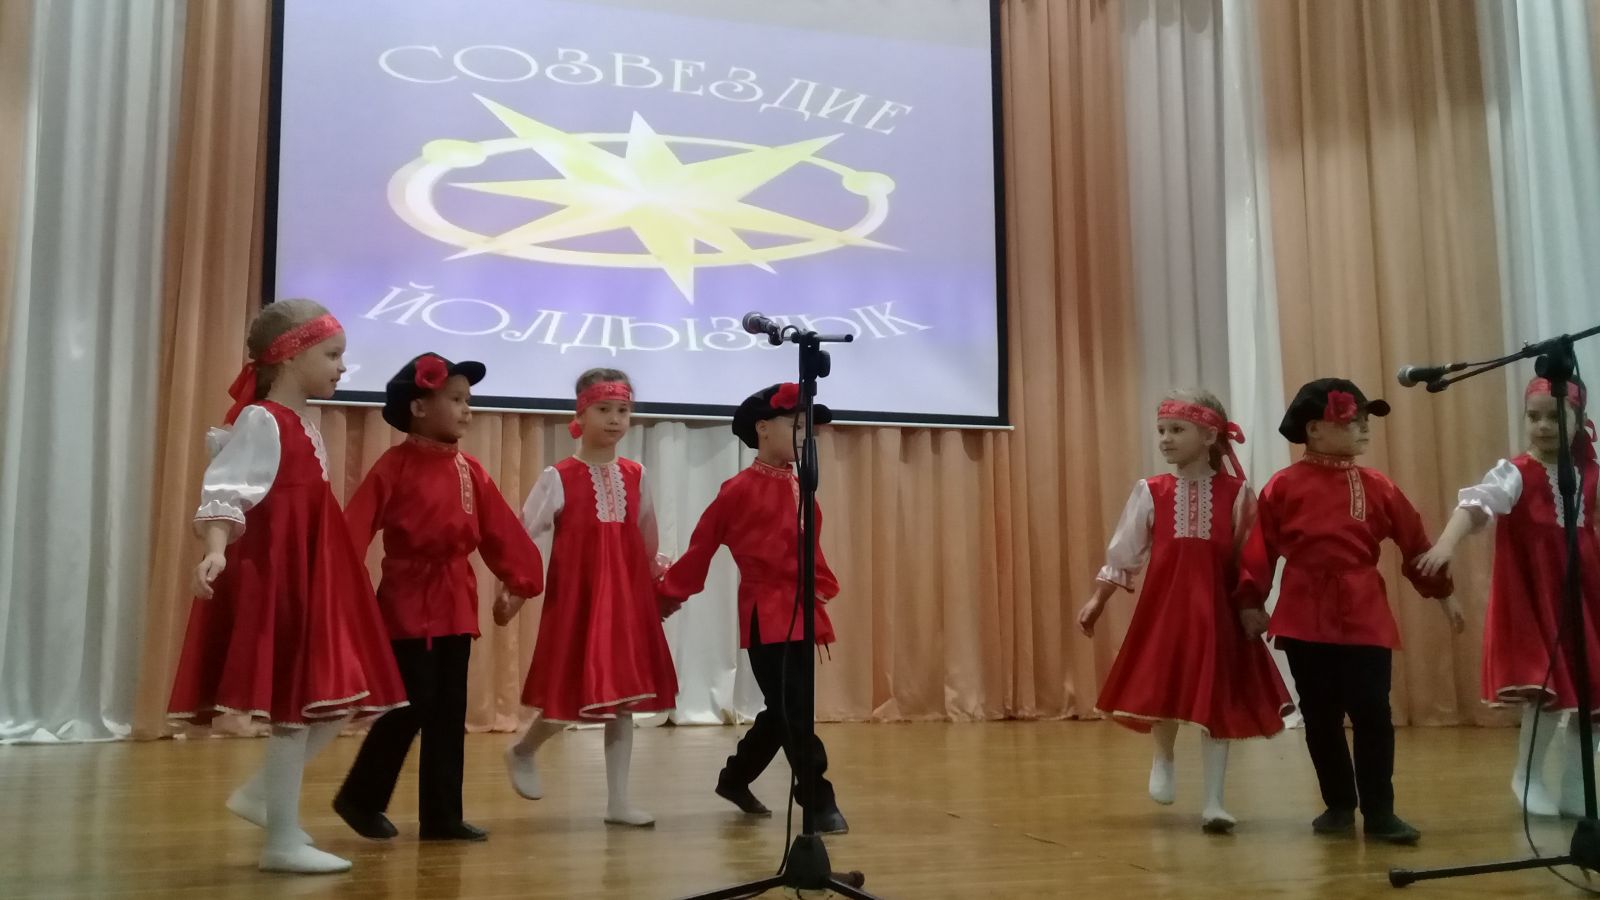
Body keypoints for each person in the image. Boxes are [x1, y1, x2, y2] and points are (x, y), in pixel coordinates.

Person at [167, 299, 406, 874]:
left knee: (332, 700)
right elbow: (226, 489)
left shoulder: (302, 422)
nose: (342, 367)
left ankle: (262, 800)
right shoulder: (263, 420)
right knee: (297, 705)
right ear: (291, 355)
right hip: (283, 575)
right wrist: (216, 550)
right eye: (332, 355)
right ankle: (279, 840)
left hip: (316, 572)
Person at [1235, 378, 1463, 845]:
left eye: (1365, 420)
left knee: (1372, 711)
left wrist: (1442, 592)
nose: (1363, 427)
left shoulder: (1378, 486)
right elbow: (1259, 550)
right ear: (1314, 429)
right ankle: (1338, 803)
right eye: (1351, 420)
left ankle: (1380, 811)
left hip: (1364, 611)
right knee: (1320, 714)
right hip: (1304, 613)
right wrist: (1250, 602)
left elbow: (1415, 544)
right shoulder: (1283, 486)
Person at [333, 354, 545, 842]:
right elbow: (351, 531)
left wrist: (519, 584)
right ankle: (359, 798)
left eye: (468, 400)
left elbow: (502, 532)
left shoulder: (471, 470)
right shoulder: (394, 466)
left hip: (454, 601)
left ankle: (442, 816)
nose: (467, 409)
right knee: (410, 706)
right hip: (407, 601)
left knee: (449, 712)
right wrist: (344, 593)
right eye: (455, 399)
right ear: (419, 407)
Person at [1078, 389, 1292, 834]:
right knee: (1164, 685)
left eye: (1176, 430)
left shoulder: (1237, 493)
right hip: (1165, 610)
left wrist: (1251, 603)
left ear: (1210, 436)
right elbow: (1125, 552)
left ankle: (1214, 800)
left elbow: (1251, 556)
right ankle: (1164, 755)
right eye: (1161, 430)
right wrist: (1099, 598)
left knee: (1218, 699)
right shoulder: (1151, 492)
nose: (1165, 439)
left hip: (1218, 613)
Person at [658, 382, 849, 835]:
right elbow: (702, 546)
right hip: (766, 613)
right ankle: (817, 799)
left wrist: (820, 586)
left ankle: (735, 777)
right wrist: (669, 594)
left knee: (785, 710)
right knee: (793, 709)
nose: (804, 436)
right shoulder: (738, 490)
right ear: (763, 428)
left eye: (807, 429)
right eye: (795, 425)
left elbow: (811, 550)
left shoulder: (803, 488)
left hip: (801, 611)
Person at [496, 368, 678, 827]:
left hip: (627, 604)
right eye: (604, 409)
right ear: (580, 412)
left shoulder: (636, 475)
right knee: (567, 696)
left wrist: (657, 588)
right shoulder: (558, 477)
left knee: (624, 701)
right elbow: (524, 535)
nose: (615, 419)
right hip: (579, 602)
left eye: (623, 410)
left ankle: (618, 802)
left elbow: (646, 536)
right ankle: (524, 750)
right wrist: (514, 588)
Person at [1417, 375, 1600, 818]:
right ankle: (1527, 776)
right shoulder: (1515, 472)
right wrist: (1446, 543)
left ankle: (1577, 787)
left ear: (1579, 419)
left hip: (1585, 593)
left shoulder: (1591, 474)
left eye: (1555, 417)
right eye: (1533, 417)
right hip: (1533, 596)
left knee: (1593, 696)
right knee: (1544, 692)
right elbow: (1476, 506)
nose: (1543, 426)